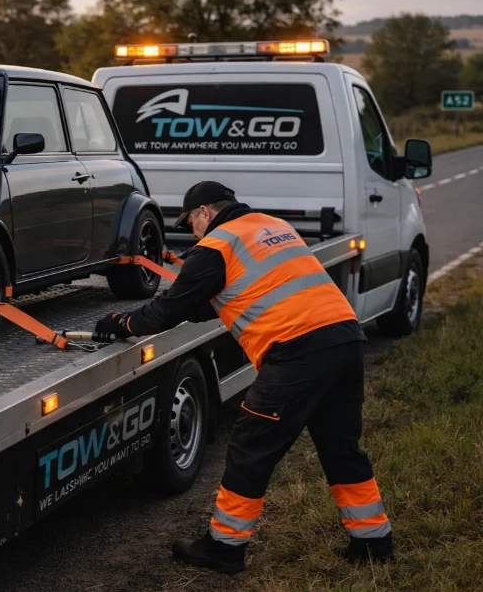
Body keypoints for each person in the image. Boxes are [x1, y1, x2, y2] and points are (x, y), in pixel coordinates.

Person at [95, 181, 393, 574]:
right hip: (346, 342)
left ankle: (224, 549)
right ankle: (373, 544)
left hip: (297, 356)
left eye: (191, 222)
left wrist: (123, 323)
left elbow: (169, 311)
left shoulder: (216, 246)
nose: (193, 231)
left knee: (250, 448)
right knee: (342, 448)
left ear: (204, 212)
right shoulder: (272, 226)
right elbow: (223, 298)